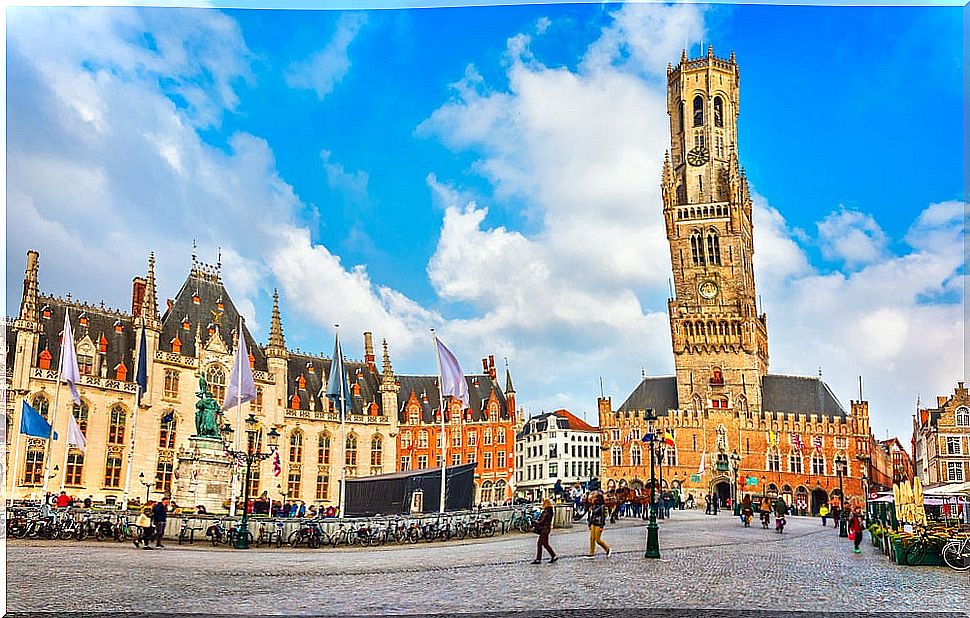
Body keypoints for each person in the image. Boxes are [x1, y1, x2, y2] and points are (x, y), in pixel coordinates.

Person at [531, 498, 557, 564]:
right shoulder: (550, 511)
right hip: (547, 529)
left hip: (544, 529)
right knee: (544, 544)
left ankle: (539, 559)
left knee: (540, 544)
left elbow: (542, 521)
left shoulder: (546, 511)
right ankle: (553, 556)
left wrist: (535, 522)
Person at [586, 493, 611, 559]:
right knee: (592, 539)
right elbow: (592, 515)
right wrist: (589, 523)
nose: (592, 499)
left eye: (594, 498)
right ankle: (591, 553)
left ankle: (607, 549)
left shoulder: (602, 506)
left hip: (598, 523)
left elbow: (603, 517)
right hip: (593, 523)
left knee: (598, 540)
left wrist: (602, 526)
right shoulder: (594, 506)